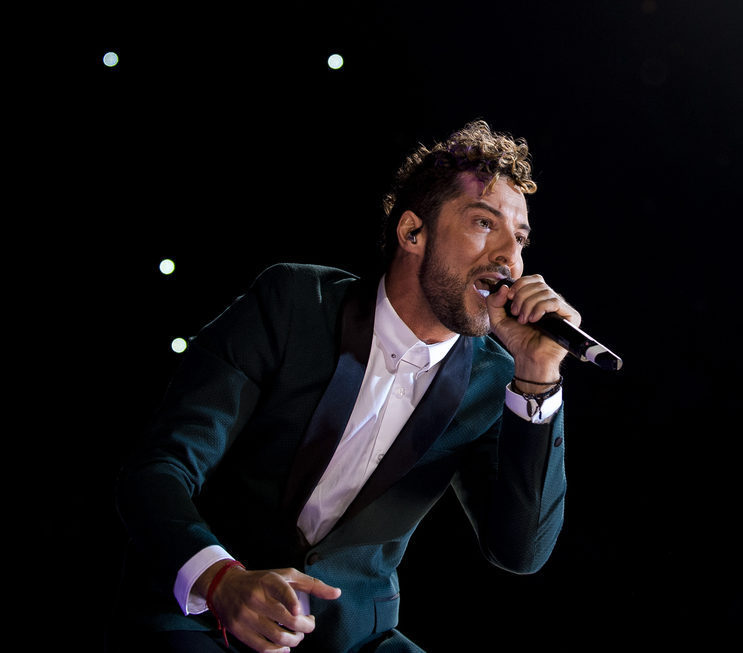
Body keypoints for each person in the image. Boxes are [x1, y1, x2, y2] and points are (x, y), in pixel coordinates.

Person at [113, 120, 579, 652]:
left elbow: (520, 552)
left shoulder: (495, 381)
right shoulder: (293, 303)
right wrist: (220, 580)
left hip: (353, 639)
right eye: (483, 222)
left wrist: (539, 377)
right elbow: (158, 471)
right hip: (205, 610)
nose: (509, 258)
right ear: (412, 234)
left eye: (519, 239)